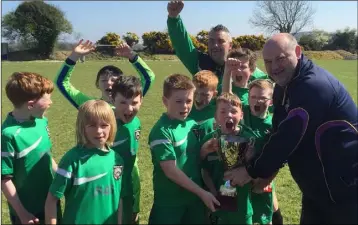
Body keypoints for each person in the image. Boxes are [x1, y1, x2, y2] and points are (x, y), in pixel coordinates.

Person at [224, 33, 358, 224]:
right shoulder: (284, 85)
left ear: (297, 52)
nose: (274, 67)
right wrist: (266, 172)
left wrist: (251, 171)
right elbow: (277, 130)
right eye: (268, 62)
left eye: (280, 59)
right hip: (317, 188)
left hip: (344, 191)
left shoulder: (313, 87)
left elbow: (287, 138)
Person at [55, 39, 153, 222]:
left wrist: (132, 56)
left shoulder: (130, 102)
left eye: (114, 80)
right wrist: (74, 57)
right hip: (103, 184)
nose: (109, 83)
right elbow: (62, 84)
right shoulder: (94, 110)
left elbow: (149, 78)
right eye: (104, 80)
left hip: (130, 180)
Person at [147, 74, 220, 224]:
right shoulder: (161, 131)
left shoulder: (191, 124)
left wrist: (205, 150)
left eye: (189, 101)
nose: (185, 106)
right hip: (170, 203)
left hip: (194, 201)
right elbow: (171, 171)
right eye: (179, 101)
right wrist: (202, 193)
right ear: (165, 101)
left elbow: (192, 158)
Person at [45, 100, 124, 224]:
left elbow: (118, 199)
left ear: (112, 126)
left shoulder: (117, 159)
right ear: (82, 127)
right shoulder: (72, 159)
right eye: (92, 125)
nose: (98, 131)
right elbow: (52, 200)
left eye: (104, 125)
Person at [1, 72, 60, 224]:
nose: (51, 103)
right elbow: (4, 180)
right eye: (47, 99)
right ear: (31, 105)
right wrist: (22, 214)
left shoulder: (41, 122)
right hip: (28, 211)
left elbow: (46, 155)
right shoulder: (8, 135)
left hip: (50, 201)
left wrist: (63, 177)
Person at [166, 1, 267, 85]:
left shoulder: (240, 65)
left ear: (230, 45)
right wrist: (174, 18)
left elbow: (264, 82)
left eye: (221, 41)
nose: (215, 45)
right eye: (211, 41)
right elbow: (182, 45)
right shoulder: (199, 63)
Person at [200, 92, 256, 224]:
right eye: (223, 111)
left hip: (242, 207)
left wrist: (249, 159)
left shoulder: (250, 139)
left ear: (241, 115)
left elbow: (257, 171)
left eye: (233, 111)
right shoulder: (210, 140)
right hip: (217, 204)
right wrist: (213, 191)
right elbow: (204, 170)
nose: (229, 115)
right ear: (216, 116)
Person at [110, 75, 142, 224]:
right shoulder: (104, 125)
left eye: (134, 102)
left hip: (128, 188)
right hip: (107, 191)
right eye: (123, 102)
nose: (129, 108)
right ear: (112, 100)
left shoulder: (136, 123)